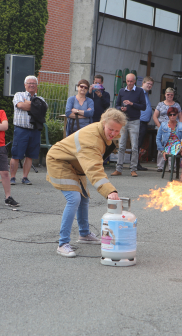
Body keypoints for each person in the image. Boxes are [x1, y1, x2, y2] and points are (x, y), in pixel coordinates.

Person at [46, 108, 126, 258]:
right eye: (111, 129)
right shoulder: (92, 139)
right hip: (59, 161)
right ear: (103, 123)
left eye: (117, 130)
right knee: (74, 198)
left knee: (84, 197)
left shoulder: (103, 131)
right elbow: (94, 169)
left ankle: (84, 234)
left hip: (75, 164)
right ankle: (63, 244)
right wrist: (110, 191)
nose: (114, 133)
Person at [10, 76, 47, 186]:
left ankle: (25, 177)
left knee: (30, 155)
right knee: (16, 155)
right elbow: (20, 105)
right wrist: (36, 106)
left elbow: (43, 108)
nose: (31, 85)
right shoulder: (18, 95)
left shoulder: (41, 98)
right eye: (29, 83)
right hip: (21, 129)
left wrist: (29, 104)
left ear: (37, 85)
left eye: (34, 83)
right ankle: (12, 177)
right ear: (25, 85)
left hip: (35, 130)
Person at [111, 73, 146, 177]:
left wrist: (131, 104)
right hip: (123, 121)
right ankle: (119, 169)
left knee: (135, 146)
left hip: (135, 121)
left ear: (135, 81)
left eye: (131, 81)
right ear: (125, 81)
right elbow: (116, 105)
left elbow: (143, 106)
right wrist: (120, 108)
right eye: (128, 81)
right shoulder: (122, 91)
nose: (130, 83)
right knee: (121, 145)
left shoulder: (139, 91)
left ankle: (133, 169)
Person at [152, 87, 182, 172]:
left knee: (173, 145)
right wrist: (159, 126)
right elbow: (155, 116)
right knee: (161, 146)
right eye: (168, 94)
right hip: (163, 127)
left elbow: (180, 117)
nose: (169, 96)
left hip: (174, 128)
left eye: (171, 95)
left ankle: (171, 166)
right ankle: (160, 166)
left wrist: (179, 127)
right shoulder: (160, 104)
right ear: (165, 95)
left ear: (173, 96)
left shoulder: (176, 105)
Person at [137, 76, 154, 171]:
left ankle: (136, 163)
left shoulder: (146, 94)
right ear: (143, 83)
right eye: (148, 83)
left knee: (140, 143)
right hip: (139, 121)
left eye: (151, 84)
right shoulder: (139, 93)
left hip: (144, 122)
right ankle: (135, 164)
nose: (150, 86)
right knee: (138, 143)